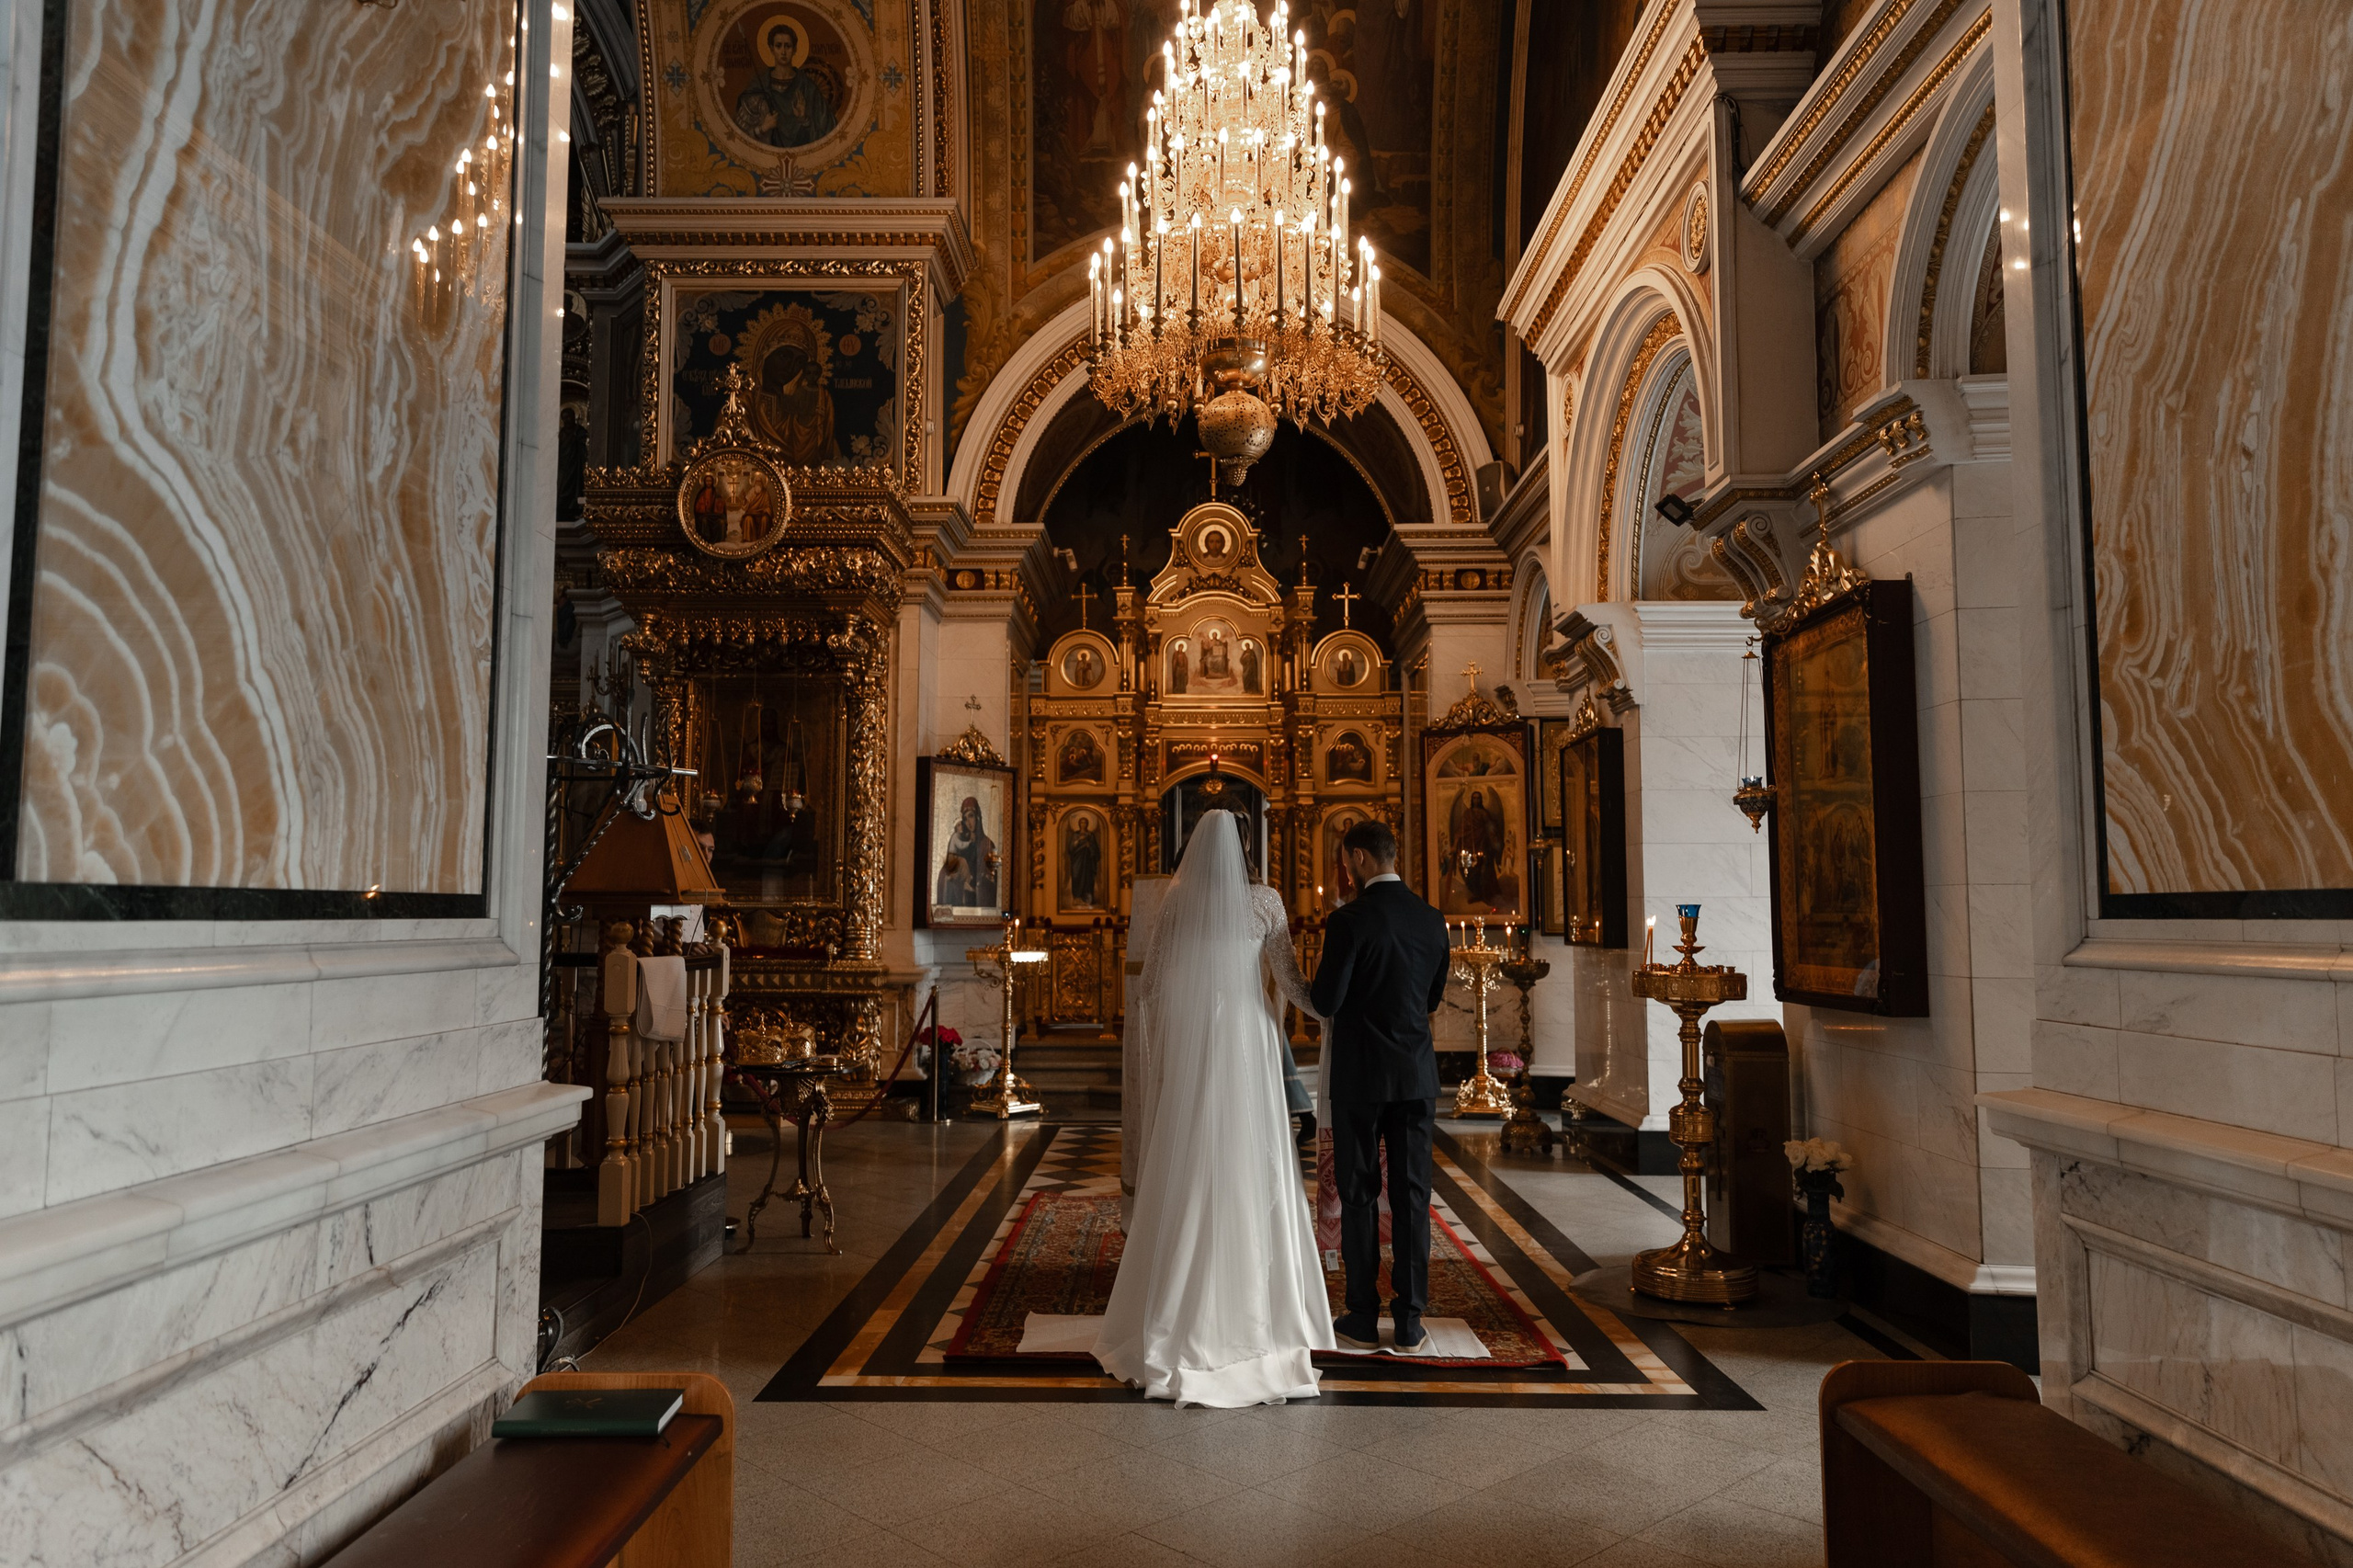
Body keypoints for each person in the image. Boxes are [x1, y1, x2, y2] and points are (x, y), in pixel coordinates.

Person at [1096, 811, 1333, 1406]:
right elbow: (1292, 983)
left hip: (1202, 1040)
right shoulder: (1267, 902)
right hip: (1249, 1041)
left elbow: (1149, 988)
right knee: (1252, 1162)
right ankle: (1256, 1312)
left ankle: (1180, 1308)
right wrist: (1332, 1011)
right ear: (1250, 851)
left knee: (1194, 1158)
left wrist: (1176, 1023)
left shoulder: (1177, 904)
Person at [1308, 818, 1449, 1355]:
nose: (1346, 870)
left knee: (1360, 1191)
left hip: (1359, 1076)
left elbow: (1325, 1001)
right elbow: (1431, 999)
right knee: (1413, 1194)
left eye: (1347, 861)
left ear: (1363, 858)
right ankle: (1411, 1318)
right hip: (1414, 1075)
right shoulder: (1432, 919)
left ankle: (1362, 1314)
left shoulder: (1349, 921)